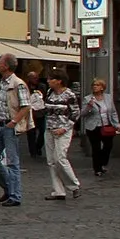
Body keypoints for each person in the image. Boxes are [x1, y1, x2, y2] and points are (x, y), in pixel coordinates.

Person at [0, 54, 29, 207]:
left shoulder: (18, 83)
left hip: (10, 127)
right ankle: (9, 187)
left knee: (12, 162)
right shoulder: (2, 83)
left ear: (6, 66)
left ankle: (15, 196)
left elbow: (26, 106)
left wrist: (14, 122)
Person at [41, 71, 82, 200]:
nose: (48, 81)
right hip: (49, 129)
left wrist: (65, 128)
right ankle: (58, 191)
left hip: (63, 130)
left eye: (50, 79)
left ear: (59, 81)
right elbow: (46, 109)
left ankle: (74, 185)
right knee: (51, 161)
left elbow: (75, 113)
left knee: (60, 158)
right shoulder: (49, 93)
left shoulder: (69, 95)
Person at [81, 77, 119, 177]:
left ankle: (102, 162)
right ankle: (97, 169)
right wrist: (89, 106)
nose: (95, 87)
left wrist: (117, 124)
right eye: (93, 85)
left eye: (97, 85)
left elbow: (113, 112)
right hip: (93, 127)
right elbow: (82, 114)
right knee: (96, 148)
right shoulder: (88, 98)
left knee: (108, 146)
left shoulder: (108, 97)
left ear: (102, 87)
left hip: (107, 125)